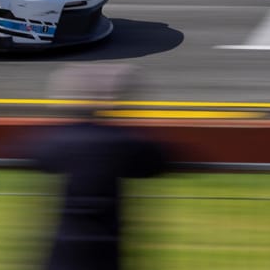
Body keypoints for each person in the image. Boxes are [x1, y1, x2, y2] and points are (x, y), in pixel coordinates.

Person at [12, 64, 170, 270]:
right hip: (106, 252)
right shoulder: (125, 141)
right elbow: (157, 162)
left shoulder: (58, 139)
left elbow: (28, 153)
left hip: (64, 252)